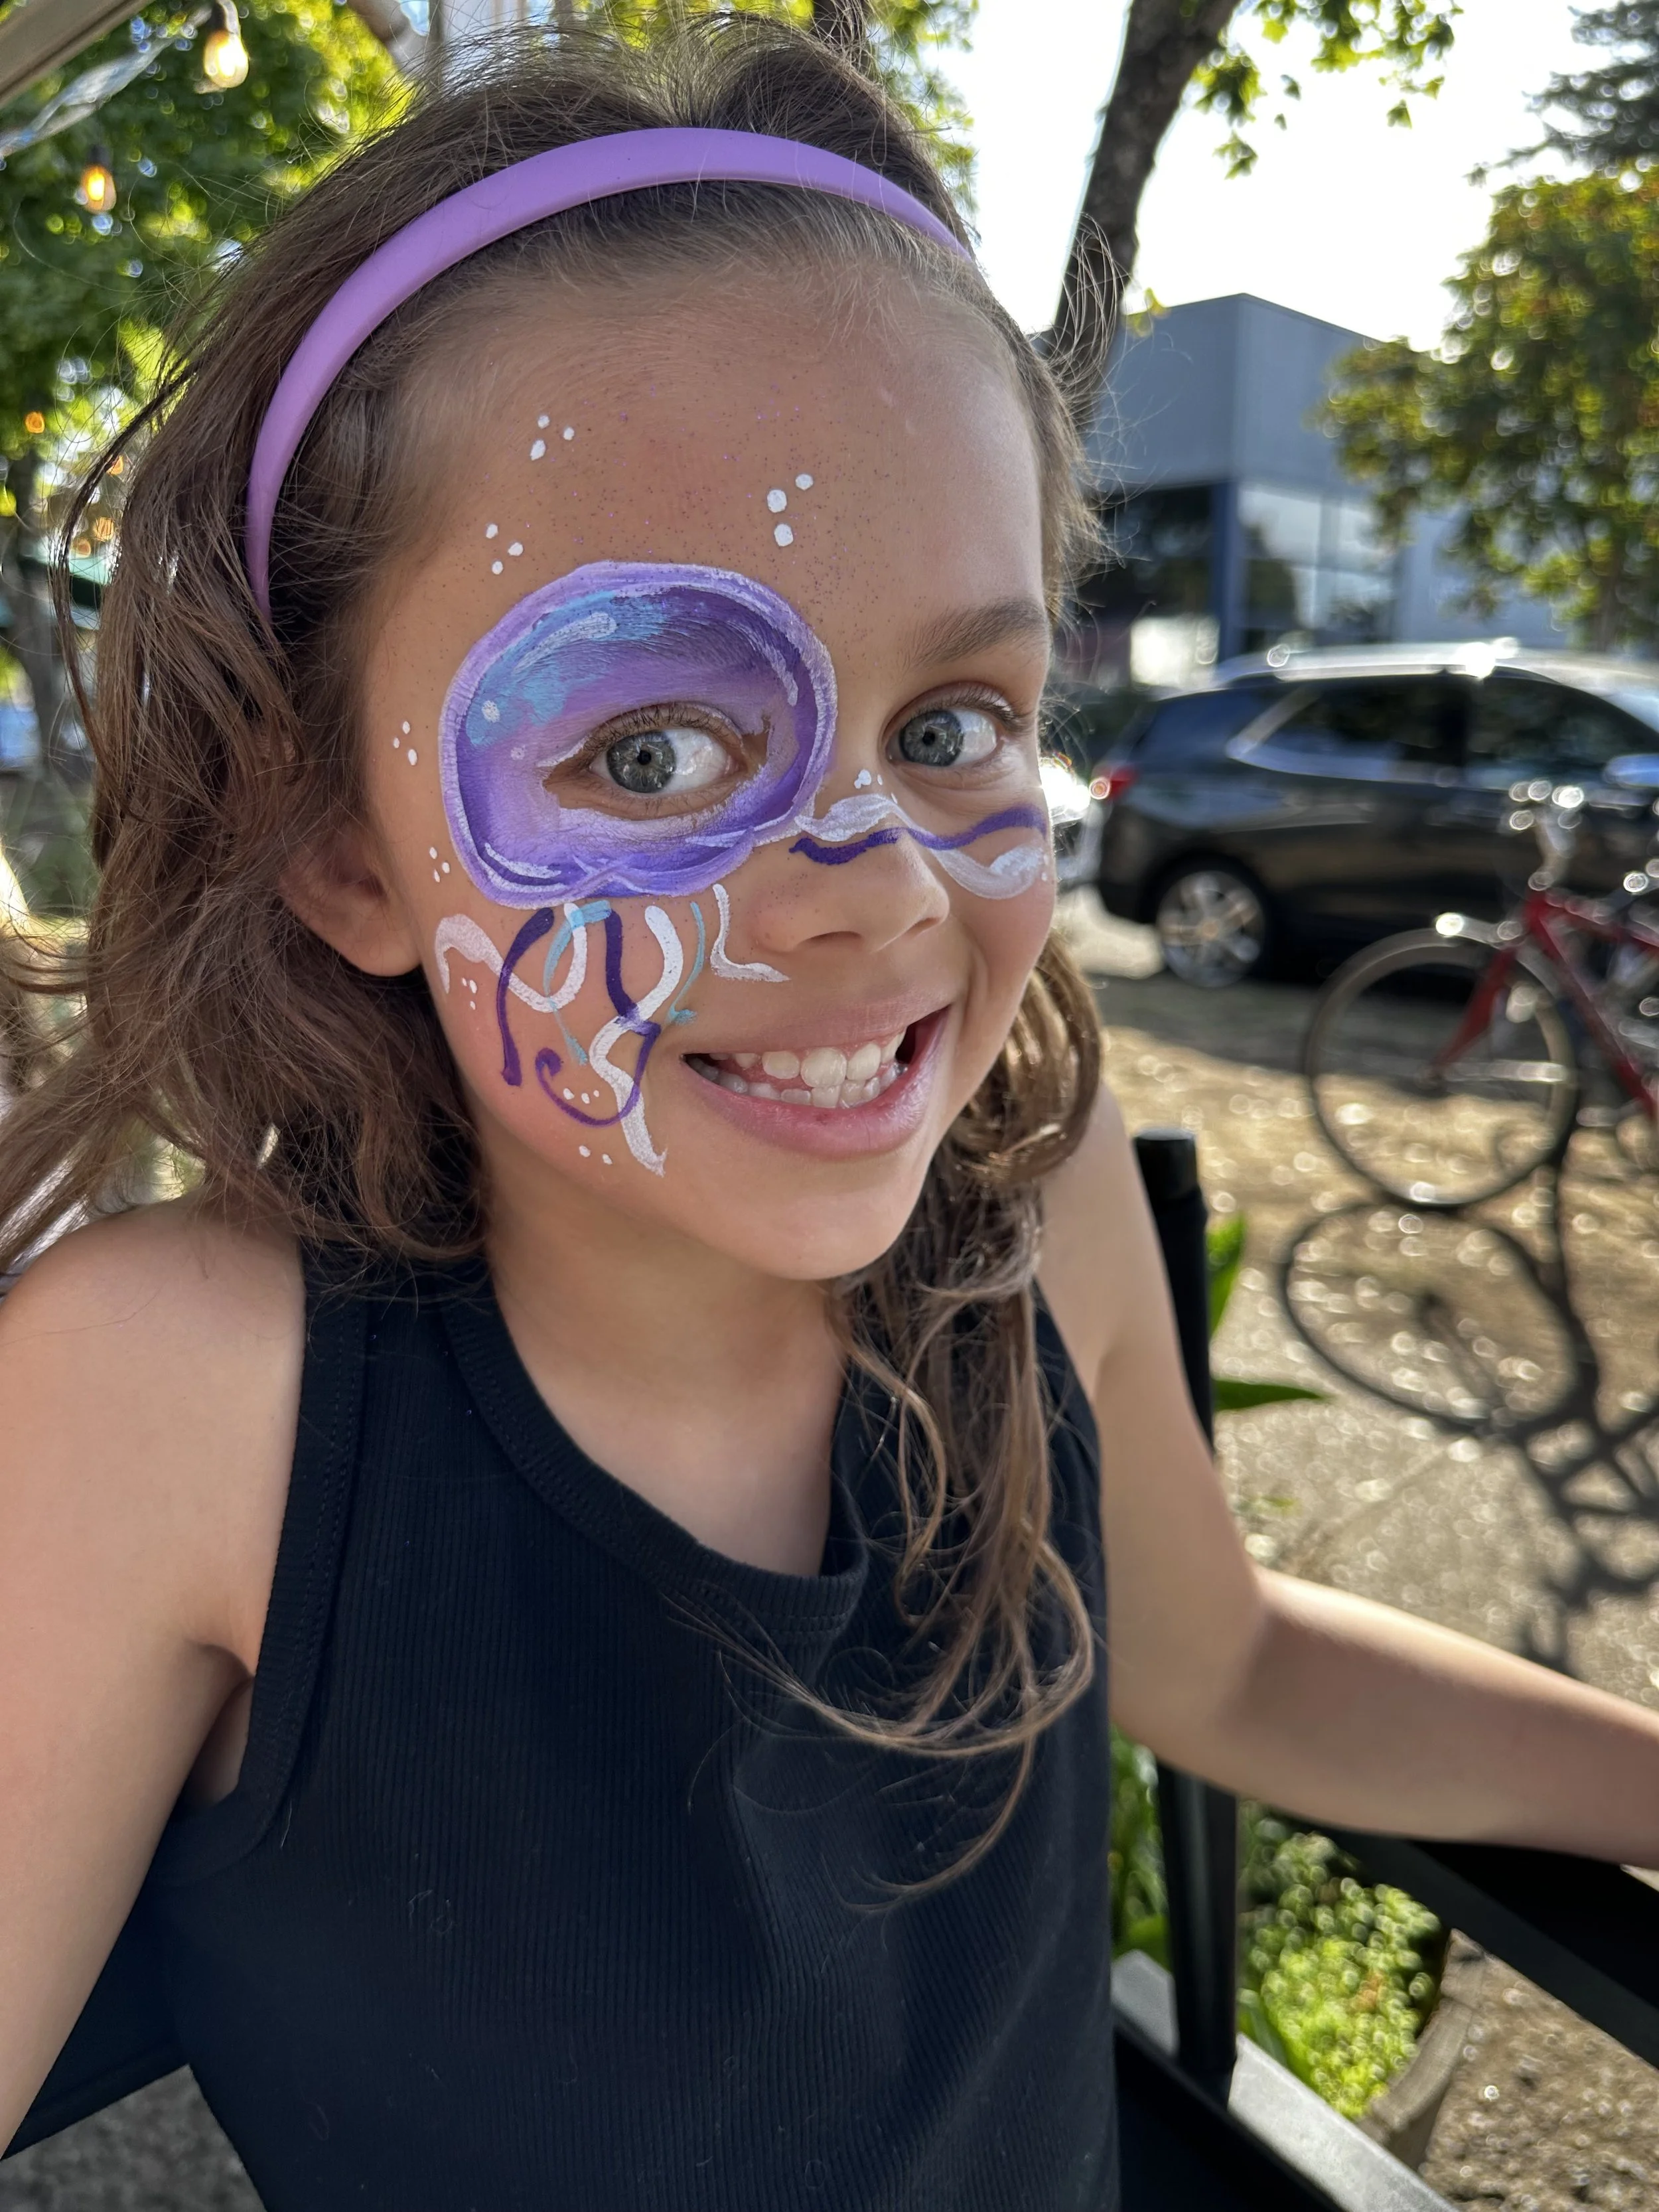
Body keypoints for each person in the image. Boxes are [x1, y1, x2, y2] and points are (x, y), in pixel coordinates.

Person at [2, 21, 1657, 2209]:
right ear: (339, 848)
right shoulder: (183, 1402)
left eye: (953, 719)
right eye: (650, 755)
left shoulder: (1031, 1210)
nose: (874, 886)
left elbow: (1231, 1665)